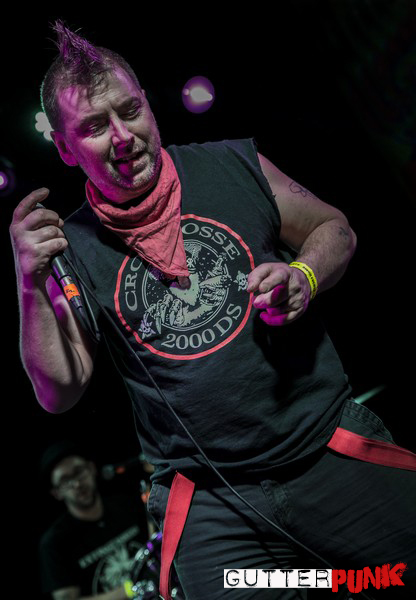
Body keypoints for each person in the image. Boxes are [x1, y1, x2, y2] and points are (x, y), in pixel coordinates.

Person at [10, 20, 416, 600]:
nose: (122, 137)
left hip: (327, 452)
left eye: (130, 111)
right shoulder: (69, 249)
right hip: (213, 507)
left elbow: (336, 229)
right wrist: (29, 281)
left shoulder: (233, 164)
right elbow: (59, 390)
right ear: (65, 148)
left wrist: (303, 275)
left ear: (148, 105)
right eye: (95, 127)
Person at [38, 441, 150, 600]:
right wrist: (129, 590)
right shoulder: (54, 543)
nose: (76, 484)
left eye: (79, 472)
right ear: (57, 493)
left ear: (91, 469)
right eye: (65, 480)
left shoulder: (126, 505)